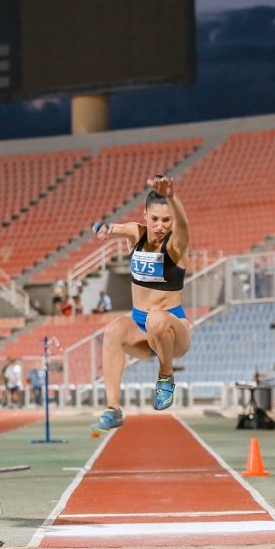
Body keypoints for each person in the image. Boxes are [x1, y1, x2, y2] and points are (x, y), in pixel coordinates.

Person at [91, 175, 192, 431]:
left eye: (166, 220)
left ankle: (166, 376)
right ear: (145, 215)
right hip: (140, 328)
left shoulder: (176, 246)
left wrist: (171, 196)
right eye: (155, 219)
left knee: (155, 317)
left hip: (171, 328)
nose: (160, 226)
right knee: (112, 331)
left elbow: (185, 226)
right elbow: (115, 228)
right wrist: (104, 228)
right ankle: (113, 409)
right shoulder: (137, 233)